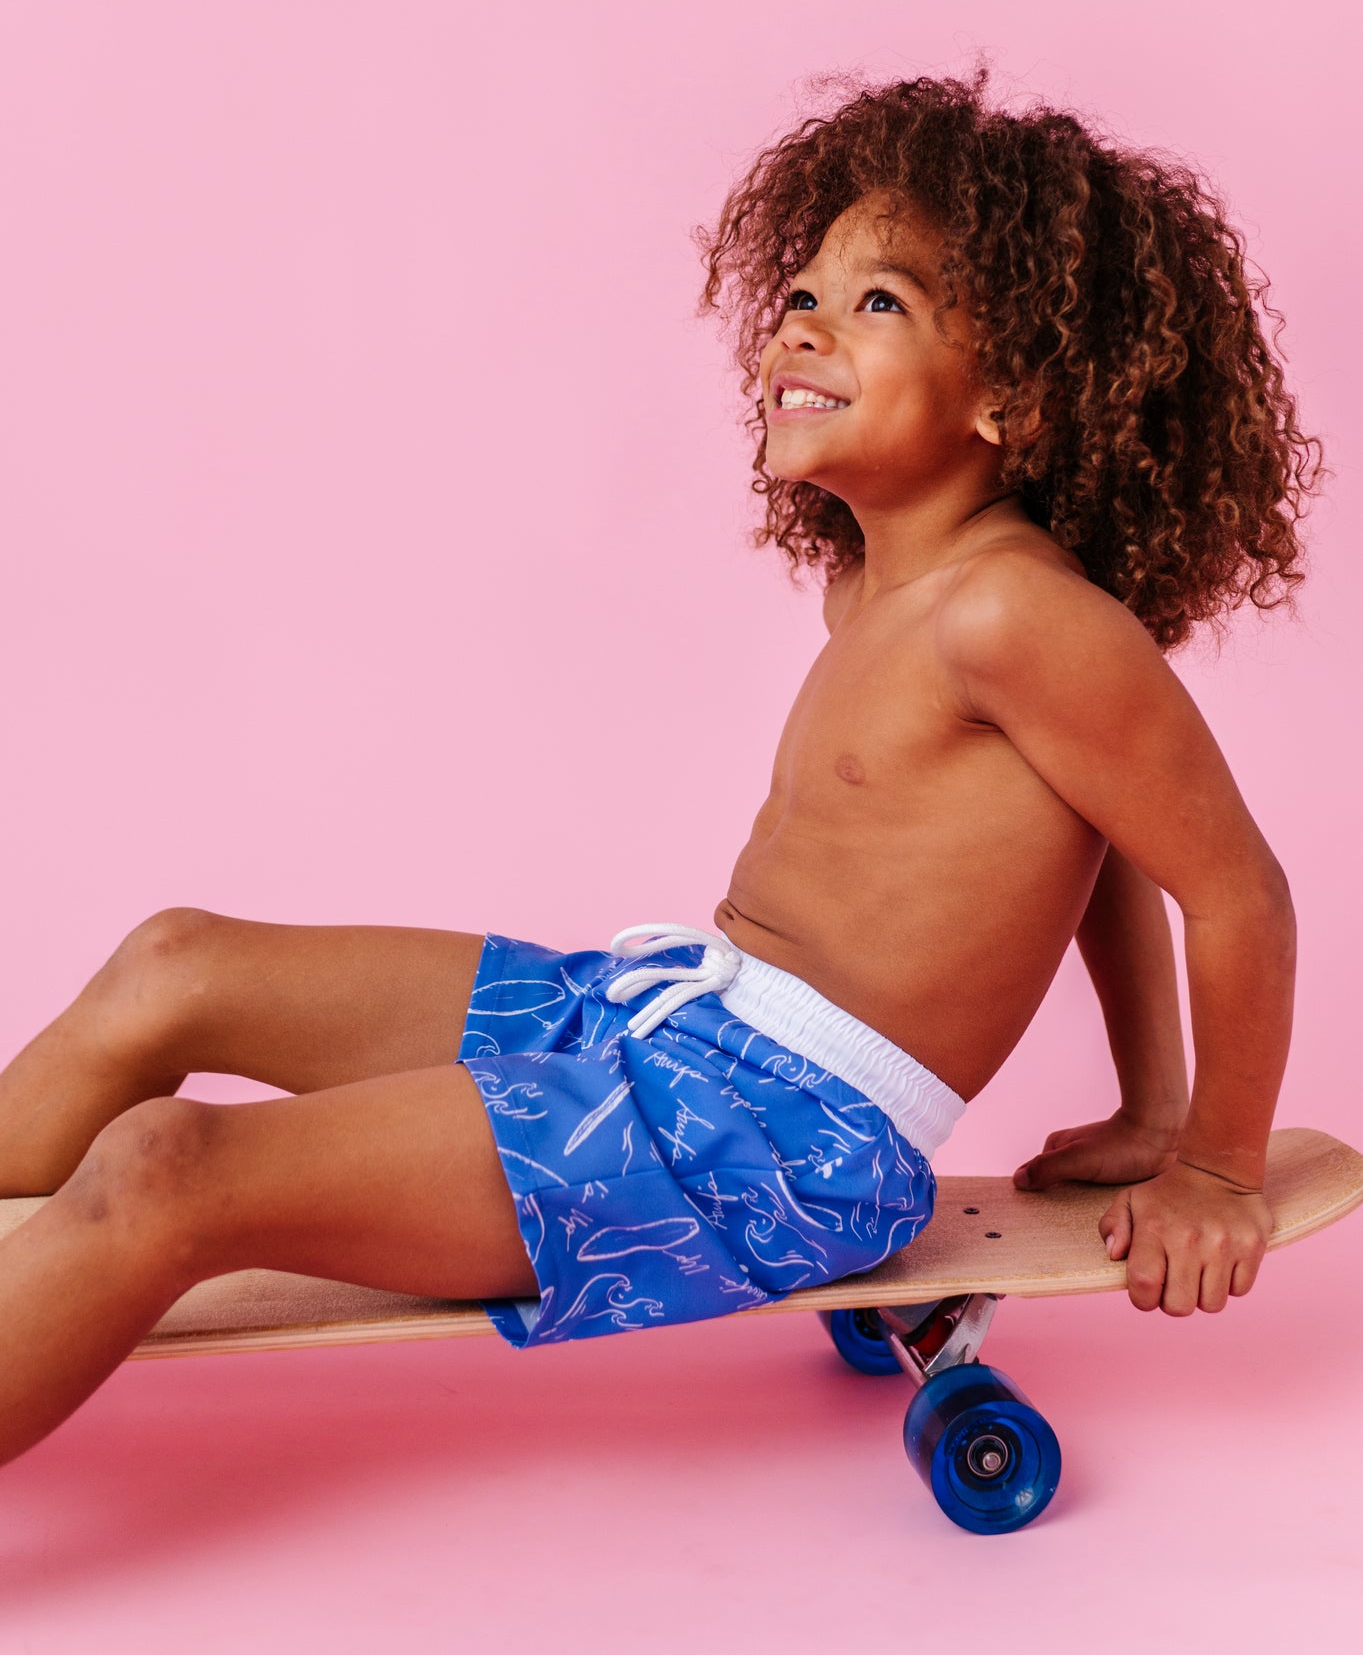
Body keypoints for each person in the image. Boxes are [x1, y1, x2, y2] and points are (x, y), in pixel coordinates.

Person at [0, 71, 1319, 1465]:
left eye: (880, 301)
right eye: (803, 291)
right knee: (178, 965)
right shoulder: (879, 594)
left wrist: (1214, 1164)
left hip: (780, 1140)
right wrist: (1146, 1103)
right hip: (669, 1022)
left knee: (167, 1165)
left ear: (1014, 394)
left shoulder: (1015, 615)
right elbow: (1097, 838)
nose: (803, 321)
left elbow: (1235, 889)